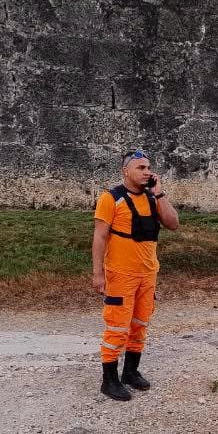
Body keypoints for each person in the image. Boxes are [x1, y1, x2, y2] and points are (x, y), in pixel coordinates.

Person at [92, 149, 180, 402]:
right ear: (125, 171)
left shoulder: (153, 199)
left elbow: (173, 224)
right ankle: (109, 380)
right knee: (117, 327)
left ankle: (130, 372)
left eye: (149, 168)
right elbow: (99, 237)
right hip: (121, 274)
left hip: (148, 274)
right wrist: (98, 274)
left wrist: (159, 192)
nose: (147, 172)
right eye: (140, 168)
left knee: (140, 325)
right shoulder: (111, 199)